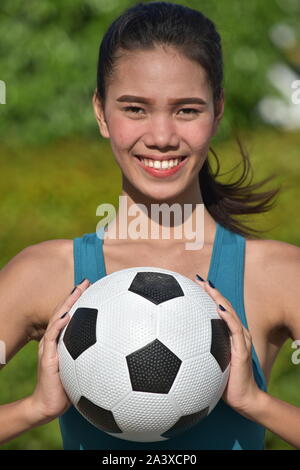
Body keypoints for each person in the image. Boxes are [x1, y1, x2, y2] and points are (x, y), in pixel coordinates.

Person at [0, 1, 299, 450]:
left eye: (186, 110)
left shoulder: (275, 274)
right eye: (135, 109)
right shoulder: (43, 273)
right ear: (101, 112)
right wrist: (34, 408)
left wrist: (255, 402)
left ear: (218, 111)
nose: (161, 136)